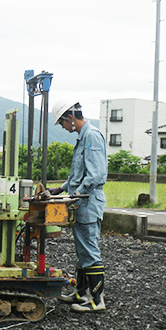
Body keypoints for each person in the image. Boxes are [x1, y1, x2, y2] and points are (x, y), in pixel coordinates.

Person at [49, 100, 108, 312]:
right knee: (82, 250)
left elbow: (95, 174)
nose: (63, 128)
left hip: (88, 201)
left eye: (62, 124)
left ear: (70, 118)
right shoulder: (82, 138)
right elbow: (78, 173)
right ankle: (81, 293)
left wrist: (74, 194)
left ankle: (97, 300)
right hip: (80, 201)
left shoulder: (91, 136)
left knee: (90, 250)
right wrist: (61, 189)